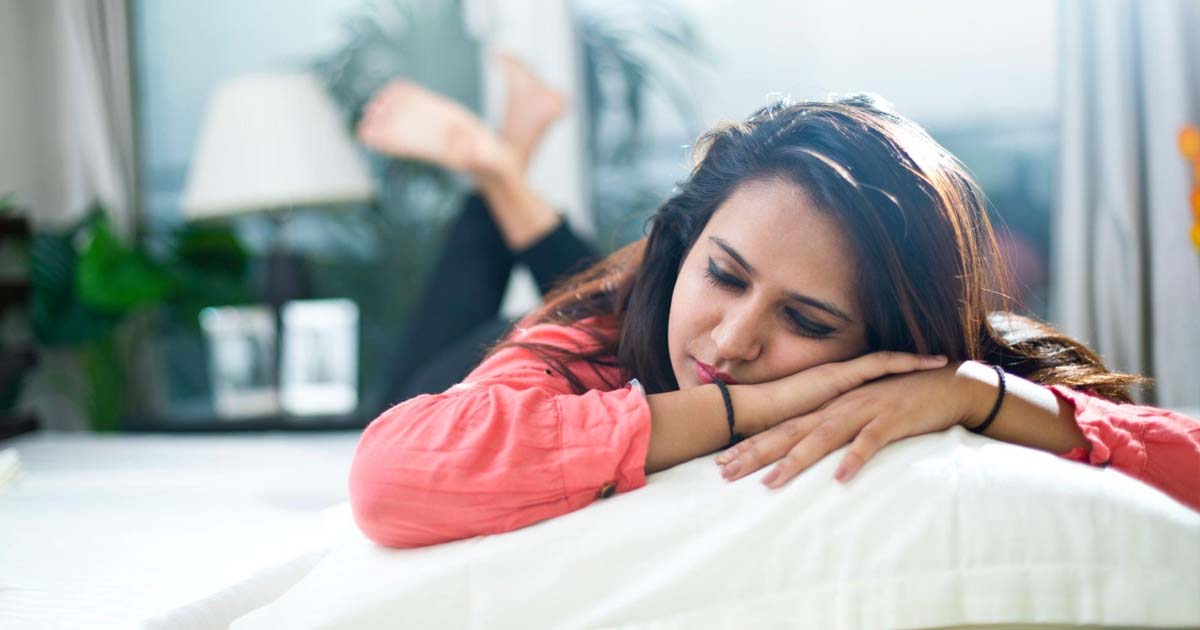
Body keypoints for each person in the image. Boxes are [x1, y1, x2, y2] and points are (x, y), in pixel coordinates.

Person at [351, 60, 1200, 549]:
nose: (735, 337)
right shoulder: (591, 332)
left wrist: (977, 395)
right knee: (406, 384)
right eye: (724, 273)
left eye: (808, 321)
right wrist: (745, 406)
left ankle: (501, 167)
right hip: (511, 345)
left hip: (624, 294)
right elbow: (394, 470)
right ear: (689, 246)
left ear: (894, 341)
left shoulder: (940, 367)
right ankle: (500, 171)